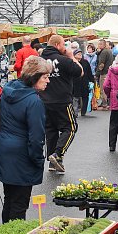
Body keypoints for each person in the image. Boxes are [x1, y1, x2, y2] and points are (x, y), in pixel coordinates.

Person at [0, 56, 52, 228]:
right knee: (19, 203)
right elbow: (36, 137)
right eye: (45, 76)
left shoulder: (9, 89)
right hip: (21, 153)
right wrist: (38, 159)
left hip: (3, 149)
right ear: (34, 76)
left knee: (10, 198)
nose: (48, 80)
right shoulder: (34, 101)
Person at [39, 35, 83, 174]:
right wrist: (71, 56)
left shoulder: (39, 61)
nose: (65, 48)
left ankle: (54, 163)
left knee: (51, 130)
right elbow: (80, 72)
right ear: (57, 45)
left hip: (44, 100)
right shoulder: (64, 60)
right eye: (64, 45)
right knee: (70, 128)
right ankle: (57, 154)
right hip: (62, 100)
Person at [71, 49, 94, 117]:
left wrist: (92, 81)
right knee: (75, 97)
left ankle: (83, 111)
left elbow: (89, 72)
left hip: (84, 82)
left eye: (81, 54)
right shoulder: (72, 62)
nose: (80, 55)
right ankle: (75, 112)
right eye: (78, 54)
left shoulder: (85, 62)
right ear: (74, 55)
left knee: (85, 96)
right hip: (75, 82)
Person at [95, 39, 114, 108]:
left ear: (104, 45)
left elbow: (101, 64)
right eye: (98, 44)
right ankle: (107, 102)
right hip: (109, 72)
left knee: (103, 88)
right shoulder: (109, 51)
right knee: (108, 87)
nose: (99, 46)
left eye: (100, 44)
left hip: (104, 72)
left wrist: (97, 74)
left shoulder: (104, 52)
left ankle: (104, 103)